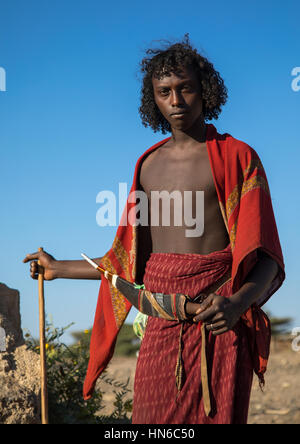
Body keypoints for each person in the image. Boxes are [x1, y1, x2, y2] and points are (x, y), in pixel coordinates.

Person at [23, 35, 285, 424]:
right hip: (161, 324)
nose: (176, 102)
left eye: (186, 89)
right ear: (153, 99)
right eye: (164, 92)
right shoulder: (146, 166)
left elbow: (265, 257)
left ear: (205, 90)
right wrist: (57, 267)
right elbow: (128, 263)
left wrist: (238, 304)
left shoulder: (237, 157)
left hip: (220, 321)